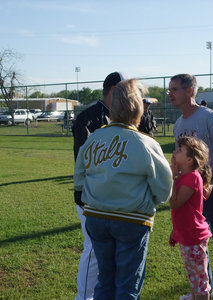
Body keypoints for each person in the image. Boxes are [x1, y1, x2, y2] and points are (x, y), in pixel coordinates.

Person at [74, 79, 173, 299]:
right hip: (132, 219)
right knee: (127, 285)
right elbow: (165, 188)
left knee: (104, 282)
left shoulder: (94, 139)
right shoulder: (145, 143)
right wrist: (151, 200)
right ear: (138, 107)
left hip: (97, 218)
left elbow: (79, 178)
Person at [169, 73, 213, 300]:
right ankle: (203, 292)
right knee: (198, 242)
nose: (170, 93)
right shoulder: (179, 124)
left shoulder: (209, 117)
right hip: (192, 192)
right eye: (169, 89)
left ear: (190, 91)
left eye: (175, 89)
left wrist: (211, 180)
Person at [72, 71, 126, 300]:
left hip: (115, 196)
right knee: (94, 250)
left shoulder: (123, 117)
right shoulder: (88, 118)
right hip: (91, 196)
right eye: (125, 91)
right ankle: (83, 297)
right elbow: (83, 163)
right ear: (114, 90)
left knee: (112, 253)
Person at [169, 136, 213, 300]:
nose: (174, 151)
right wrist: (176, 232)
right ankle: (195, 296)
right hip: (187, 236)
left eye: (179, 150)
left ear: (189, 159)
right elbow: (184, 211)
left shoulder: (193, 177)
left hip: (194, 237)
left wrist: (171, 178)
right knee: (194, 277)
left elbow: (174, 203)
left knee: (200, 282)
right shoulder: (184, 176)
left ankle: (199, 297)